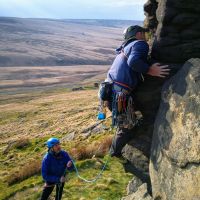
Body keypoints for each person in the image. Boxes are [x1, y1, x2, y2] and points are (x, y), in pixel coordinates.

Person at [105, 25, 170, 157]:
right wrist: (150, 70)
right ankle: (114, 154)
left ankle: (116, 149)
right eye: (144, 33)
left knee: (130, 121)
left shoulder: (124, 49)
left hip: (110, 92)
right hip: (119, 94)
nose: (146, 37)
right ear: (138, 34)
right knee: (127, 127)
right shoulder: (140, 44)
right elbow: (133, 62)